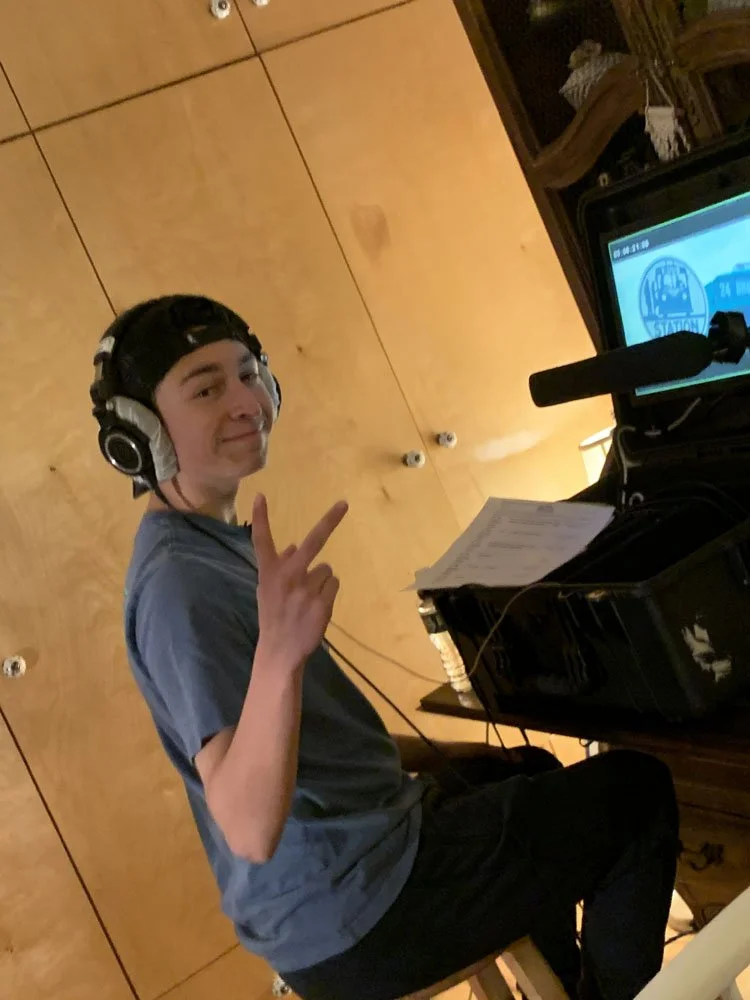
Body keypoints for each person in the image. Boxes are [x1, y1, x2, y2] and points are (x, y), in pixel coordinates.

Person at [92, 294, 679, 1000]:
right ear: (139, 436)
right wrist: (280, 651)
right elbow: (248, 827)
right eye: (208, 388)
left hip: (339, 891)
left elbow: (298, 736)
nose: (246, 401)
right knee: (637, 791)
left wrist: (450, 757)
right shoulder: (180, 587)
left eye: (250, 374)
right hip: (359, 914)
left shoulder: (210, 545)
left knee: (513, 769)